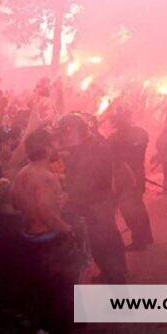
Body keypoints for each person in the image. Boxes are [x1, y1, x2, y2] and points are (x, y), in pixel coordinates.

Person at [11, 129, 79, 333]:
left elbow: (15, 203)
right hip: (48, 240)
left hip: (30, 238)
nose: (56, 147)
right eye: (53, 144)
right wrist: (67, 229)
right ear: (47, 148)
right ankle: (59, 328)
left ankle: (43, 328)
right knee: (59, 292)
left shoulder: (22, 173)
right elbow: (46, 212)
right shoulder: (46, 177)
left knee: (40, 290)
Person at [57, 113, 127, 283]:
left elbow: (90, 180)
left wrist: (71, 196)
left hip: (97, 204)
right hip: (98, 202)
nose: (64, 138)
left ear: (78, 130)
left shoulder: (93, 150)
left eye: (67, 133)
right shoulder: (90, 144)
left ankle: (116, 288)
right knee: (108, 241)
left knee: (104, 244)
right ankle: (113, 273)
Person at [108, 106, 153, 250]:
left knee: (129, 209)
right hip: (138, 172)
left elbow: (109, 155)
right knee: (138, 205)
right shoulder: (140, 132)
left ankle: (139, 241)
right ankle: (146, 236)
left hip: (126, 176)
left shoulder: (116, 138)